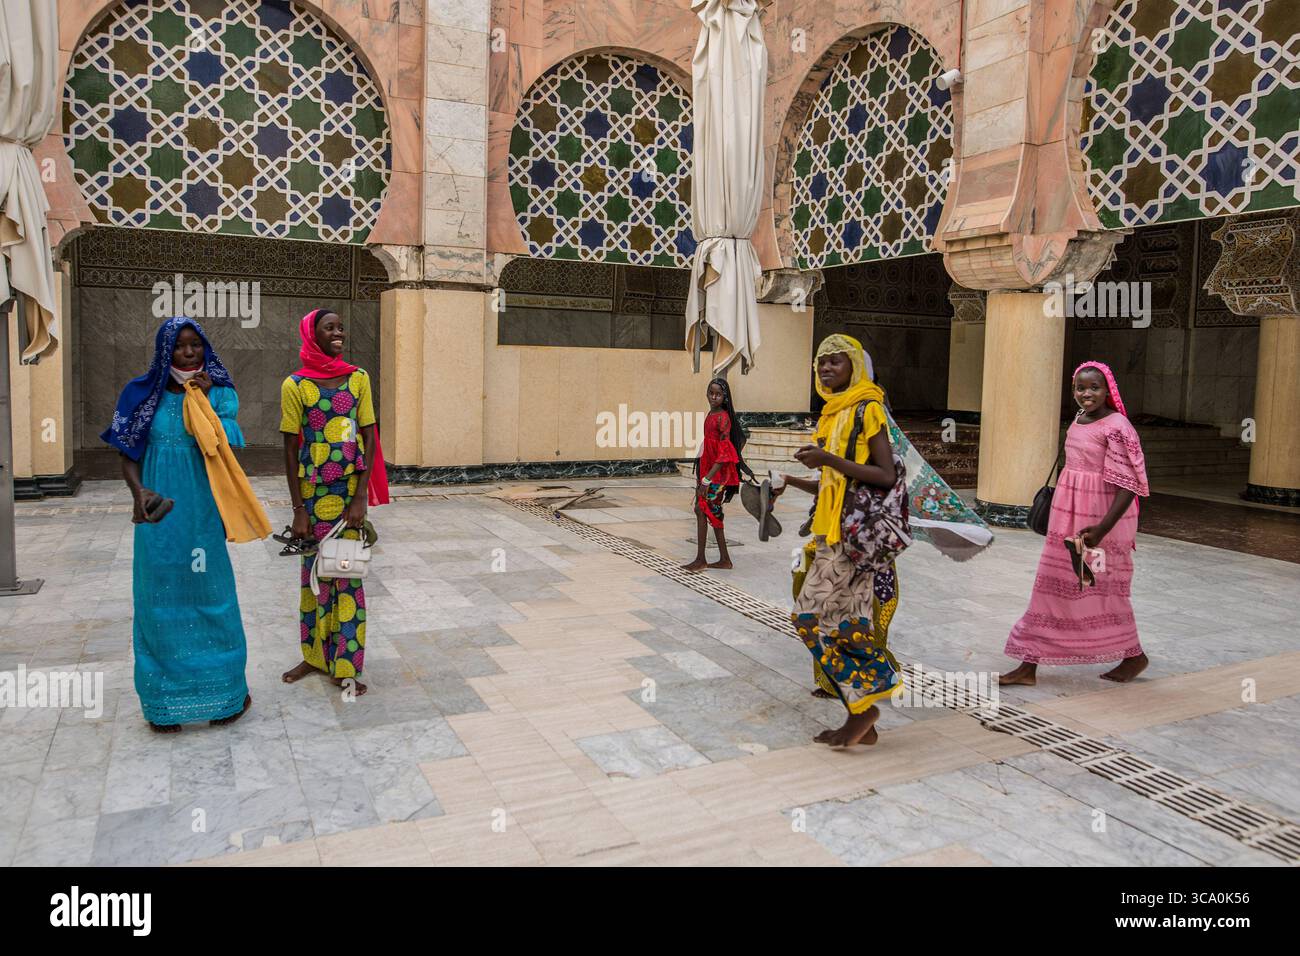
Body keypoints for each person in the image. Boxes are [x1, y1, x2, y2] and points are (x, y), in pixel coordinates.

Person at [103, 317, 252, 732]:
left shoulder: (220, 394)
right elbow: (127, 453)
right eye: (180, 347)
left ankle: (225, 696)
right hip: (158, 512)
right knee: (158, 600)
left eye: (196, 345)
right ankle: (163, 703)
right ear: (164, 351)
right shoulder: (141, 394)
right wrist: (138, 493)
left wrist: (202, 400)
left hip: (203, 510)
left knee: (212, 594)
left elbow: (227, 447)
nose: (189, 353)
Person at [772, 334, 901, 747]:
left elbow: (884, 476)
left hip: (855, 541)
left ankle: (868, 705)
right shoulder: (832, 413)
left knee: (807, 617)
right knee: (846, 626)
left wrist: (827, 459)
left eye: (836, 362)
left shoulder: (868, 407)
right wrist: (792, 481)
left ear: (855, 367)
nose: (826, 369)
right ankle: (863, 720)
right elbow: (837, 481)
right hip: (832, 534)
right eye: (822, 362)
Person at [1001, 361, 1150, 686]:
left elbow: (1130, 485)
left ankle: (1134, 655)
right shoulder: (1079, 419)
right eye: (1080, 388)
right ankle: (1029, 664)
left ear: (1107, 390)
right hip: (1068, 514)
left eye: (1094, 387)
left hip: (1103, 519)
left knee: (1104, 591)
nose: (1087, 394)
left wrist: (1101, 530)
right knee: (1051, 584)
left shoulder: (1118, 426)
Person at [279, 309, 387, 695]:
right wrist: (298, 509)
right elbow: (291, 449)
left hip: (347, 496)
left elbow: (370, 435)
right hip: (312, 495)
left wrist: (361, 497)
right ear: (312, 335)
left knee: (346, 578)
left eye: (342, 327)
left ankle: (345, 667)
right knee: (313, 578)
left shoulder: (358, 379)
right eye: (330, 328)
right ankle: (314, 657)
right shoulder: (295, 386)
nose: (339, 333)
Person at [683, 377, 750, 572]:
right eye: (711, 393)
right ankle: (722, 559)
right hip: (707, 469)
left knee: (706, 510)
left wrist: (707, 478)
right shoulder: (712, 414)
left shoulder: (723, 417)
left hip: (716, 475)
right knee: (705, 511)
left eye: (718, 394)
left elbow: (724, 453)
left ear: (725, 397)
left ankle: (702, 559)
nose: (714, 397)